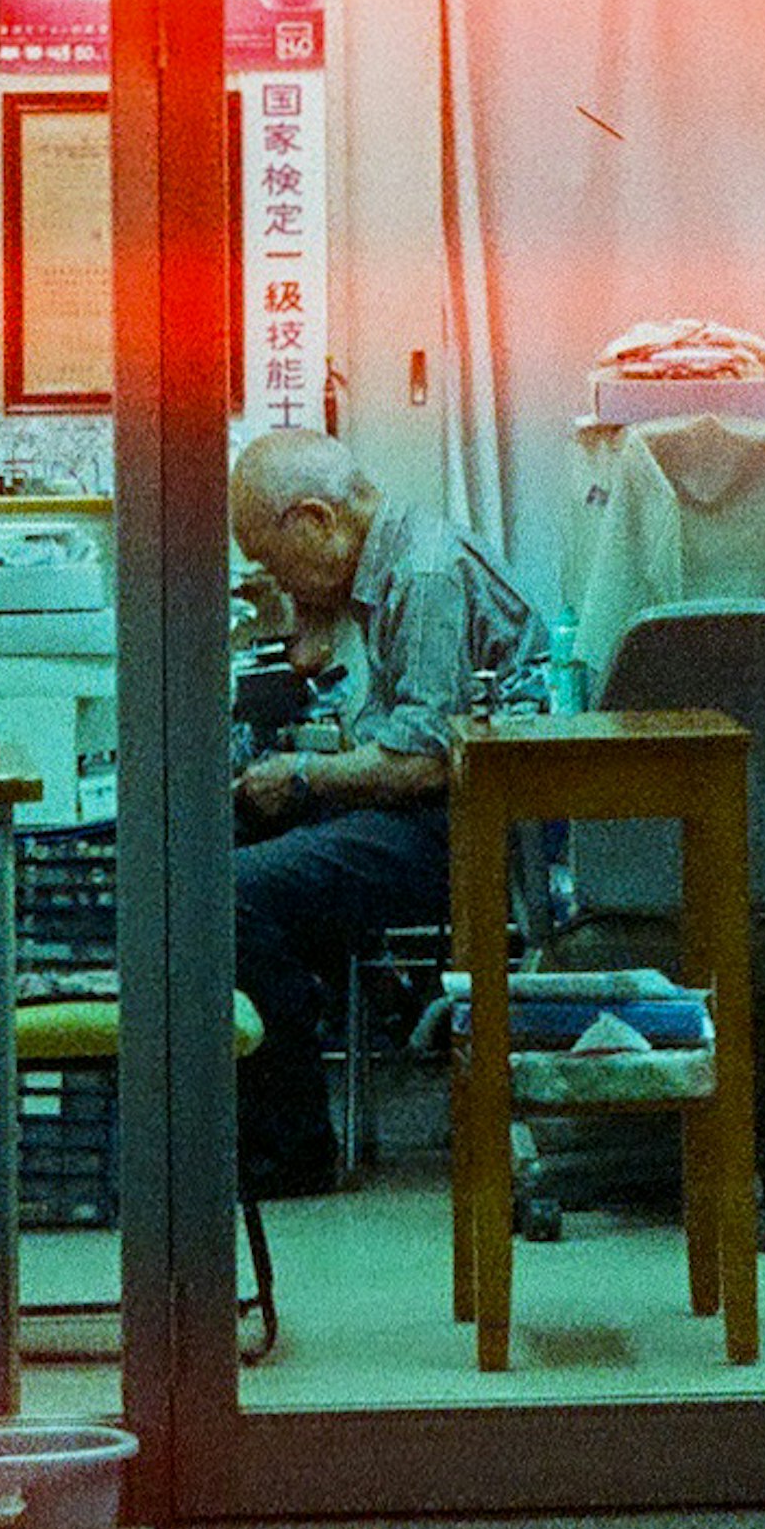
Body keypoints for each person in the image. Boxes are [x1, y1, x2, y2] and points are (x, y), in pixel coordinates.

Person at [224, 429, 546, 1195]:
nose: (281, 581)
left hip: (473, 829)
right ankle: (263, 1087)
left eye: (275, 561)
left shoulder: (423, 573)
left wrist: (303, 774)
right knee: (219, 836)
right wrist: (307, 624)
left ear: (313, 521)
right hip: (443, 809)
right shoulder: (386, 566)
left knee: (237, 890)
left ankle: (288, 1152)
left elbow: (425, 764)